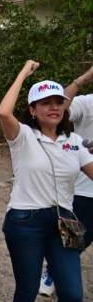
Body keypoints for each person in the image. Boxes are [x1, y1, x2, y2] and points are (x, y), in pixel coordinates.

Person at [0, 60, 93, 302]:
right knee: (27, 289)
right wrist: (23, 73)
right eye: (45, 103)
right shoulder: (22, 136)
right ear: (33, 110)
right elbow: (3, 113)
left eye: (58, 103)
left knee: (72, 293)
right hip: (25, 222)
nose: (54, 107)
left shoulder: (74, 143)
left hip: (63, 222)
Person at [63, 63, 93, 248]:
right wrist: (83, 79)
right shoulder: (87, 103)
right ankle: (51, 275)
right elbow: (59, 110)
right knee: (71, 247)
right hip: (84, 194)